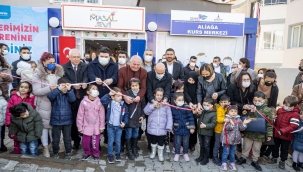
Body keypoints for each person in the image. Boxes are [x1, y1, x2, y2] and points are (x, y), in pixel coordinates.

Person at [32, 52, 64, 157]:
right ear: (43, 62)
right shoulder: (37, 74)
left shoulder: (58, 72)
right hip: (43, 104)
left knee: (54, 126)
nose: (52, 64)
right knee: (45, 127)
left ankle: (54, 145)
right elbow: (36, 91)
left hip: (56, 103)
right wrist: (49, 88)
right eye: (49, 62)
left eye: (54, 62)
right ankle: (45, 148)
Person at [236, 91, 273, 171]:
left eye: (259, 101)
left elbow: (270, 123)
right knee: (246, 146)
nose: (257, 102)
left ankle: (255, 160)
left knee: (257, 148)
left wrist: (269, 135)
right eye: (255, 100)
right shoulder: (250, 107)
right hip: (249, 132)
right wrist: (245, 112)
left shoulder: (267, 110)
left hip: (260, 134)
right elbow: (245, 118)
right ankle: (243, 158)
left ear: (264, 100)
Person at [62, 48, 88, 150]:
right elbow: (63, 79)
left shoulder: (85, 66)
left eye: (78, 57)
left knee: (84, 119)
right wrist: (73, 86)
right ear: (69, 57)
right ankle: (76, 140)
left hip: (82, 96)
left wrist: (85, 82)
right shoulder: (64, 67)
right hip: (71, 97)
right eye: (74, 57)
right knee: (73, 120)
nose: (76, 59)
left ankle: (86, 139)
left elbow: (86, 77)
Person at [47, 77, 76, 160]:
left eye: (66, 86)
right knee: (55, 139)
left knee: (67, 139)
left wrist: (70, 90)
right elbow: (50, 96)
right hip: (56, 121)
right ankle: (55, 153)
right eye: (63, 87)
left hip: (67, 121)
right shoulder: (55, 94)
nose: (64, 89)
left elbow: (72, 99)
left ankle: (68, 153)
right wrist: (58, 89)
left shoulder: (69, 93)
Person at [270, 95, 300, 170]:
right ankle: (274, 157)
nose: (286, 107)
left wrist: (283, 131)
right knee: (275, 146)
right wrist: (273, 119)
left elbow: (293, 126)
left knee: (284, 149)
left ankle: (282, 161)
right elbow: (276, 120)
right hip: (277, 133)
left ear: (294, 106)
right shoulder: (280, 110)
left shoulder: (295, 114)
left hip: (286, 136)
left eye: (289, 106)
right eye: (285, 105)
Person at [5, 81, 35, 154]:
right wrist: (8, 123)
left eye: (26, 87)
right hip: (16, 122)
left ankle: (28, 154)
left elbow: (34, 110)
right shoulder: (14, 97)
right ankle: (18, 154)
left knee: (27, 139)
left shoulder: (32, 98)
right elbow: (9, 110)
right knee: (16, 139)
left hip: (28, 123)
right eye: (21, 87)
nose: (23, 89)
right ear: (19, 88)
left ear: (29, 89)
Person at [77, 84, 105, 160]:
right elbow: (80, 115)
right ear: (88, 92)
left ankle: (96, 154)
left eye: (96, 89)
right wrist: (80, 127)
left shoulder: (99, 102)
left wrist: (102, 126)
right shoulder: (83, 102)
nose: (95, 90)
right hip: (86, 127)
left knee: (95, 142)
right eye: (93, 88)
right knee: (85, 142)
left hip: (96, 127)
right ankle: (87, 153)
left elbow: (102, 115)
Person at [101, 87, 129, 164]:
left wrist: (124, 122)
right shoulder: (109, 103)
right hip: (110, 126)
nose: (120, 97)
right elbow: (102, 100)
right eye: (118, 96)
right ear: (113, 97)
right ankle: (110, 155)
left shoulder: (123, 105)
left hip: (119, 127)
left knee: (118, 141)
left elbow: (126, 114)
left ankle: (117, 154)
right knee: (110, 141)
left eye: (121, 95)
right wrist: (109, 94)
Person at [144, 88, 173, 162]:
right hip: (152, 127)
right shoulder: (150, 103)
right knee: (153, 141)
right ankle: (153, 152)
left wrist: (169, 126)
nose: (159, 97)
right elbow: (146, 112)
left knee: (161, 141)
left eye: (161, 95)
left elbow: (169, 116)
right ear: (154, 95)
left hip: (162, 127)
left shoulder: (166, 105)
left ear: (163, 96)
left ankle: (160, 154)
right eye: (157, 95)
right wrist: (153, 106)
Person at [221, 105, 251, 171]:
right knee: (226, 152)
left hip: (235, 140)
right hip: (227, 140)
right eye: (231, 111)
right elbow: (227, 128)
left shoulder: (238, 119)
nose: (234, 113)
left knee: (232, 152)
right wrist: (231, 124)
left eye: (235, 111)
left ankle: (232, 163)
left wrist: (244, 124)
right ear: (228, 112)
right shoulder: (226, 119)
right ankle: (224, 163)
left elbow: (241, 128)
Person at [124, 78, 146, 160]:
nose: (135, 87)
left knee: (135, 134)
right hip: (129, 118)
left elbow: (143, 106)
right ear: (130, 86)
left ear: (139, 85)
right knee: (128, 134)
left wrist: (143, 116)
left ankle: (134, 148)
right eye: (133, 85)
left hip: (137, 118)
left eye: (136, 85)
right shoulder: (127, 94)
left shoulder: (141, 95)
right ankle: (129, 150)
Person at [171, 92, 195, 162]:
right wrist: (172, 127)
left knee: (186, 142)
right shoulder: (173, 109)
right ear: (175, 101)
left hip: (186, 129)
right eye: (179, 100)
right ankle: (177, 153)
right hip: (177, 128)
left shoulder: (186, 108)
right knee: (177, 142)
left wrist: (192, 127)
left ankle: (185, 153)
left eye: (182, 100)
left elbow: (191, 118)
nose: (181, 101)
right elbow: (171, 119)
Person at [194, 97, 217, 165]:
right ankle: (201, 156)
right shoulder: (203, 110)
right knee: (201, 144)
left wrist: (206, 126)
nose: (205, 106)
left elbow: (213, 124)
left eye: (207, 105)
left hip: (207, 132)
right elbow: (197, 117)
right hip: (200, 131)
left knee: (206, 145)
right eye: (204, 104)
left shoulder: (213, 113)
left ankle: (205, 158)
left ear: (212, 105)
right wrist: (197, 113)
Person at [212, 95, 230, 166]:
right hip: (218, 130)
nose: (223, 103)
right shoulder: (219, 109)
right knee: (217, 144)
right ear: (219, 102)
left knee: (223, 144)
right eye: (221, 102)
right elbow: (219, 119)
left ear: (228, 103)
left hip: (225, 131)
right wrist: (225, 119)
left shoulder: (227, 109)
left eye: (225, 102)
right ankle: (215, 157)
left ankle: (221, 156)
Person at [184, 71, 199, 151]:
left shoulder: (197, 85)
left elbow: (198, 93)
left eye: (193, 80)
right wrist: (190, 102)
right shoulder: (186, 84)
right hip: (187, 104)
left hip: (195, 106)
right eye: (189, 80)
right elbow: (185, 93)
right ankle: (185, 143)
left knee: (194, 124)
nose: (191, 82)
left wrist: (196, 104)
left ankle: (192, 143)